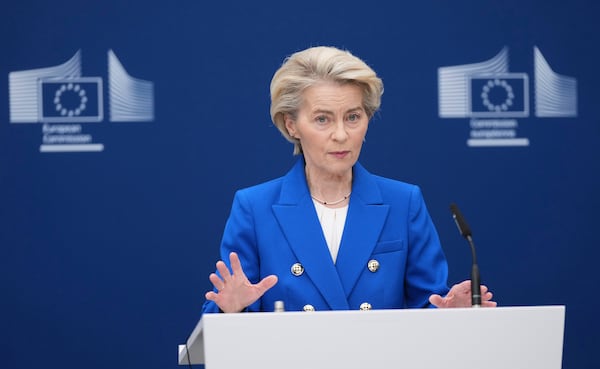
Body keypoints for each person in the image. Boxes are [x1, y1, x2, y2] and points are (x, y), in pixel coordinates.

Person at [202, 46, 496, 313]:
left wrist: (448, 315)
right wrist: (231, 310)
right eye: (322, 119)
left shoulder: (403, 202)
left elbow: (428, 304)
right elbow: (223, 320)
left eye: (353, 117)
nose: (341, 134)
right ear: (292, 125)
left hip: (380, 368)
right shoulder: (254, 208)